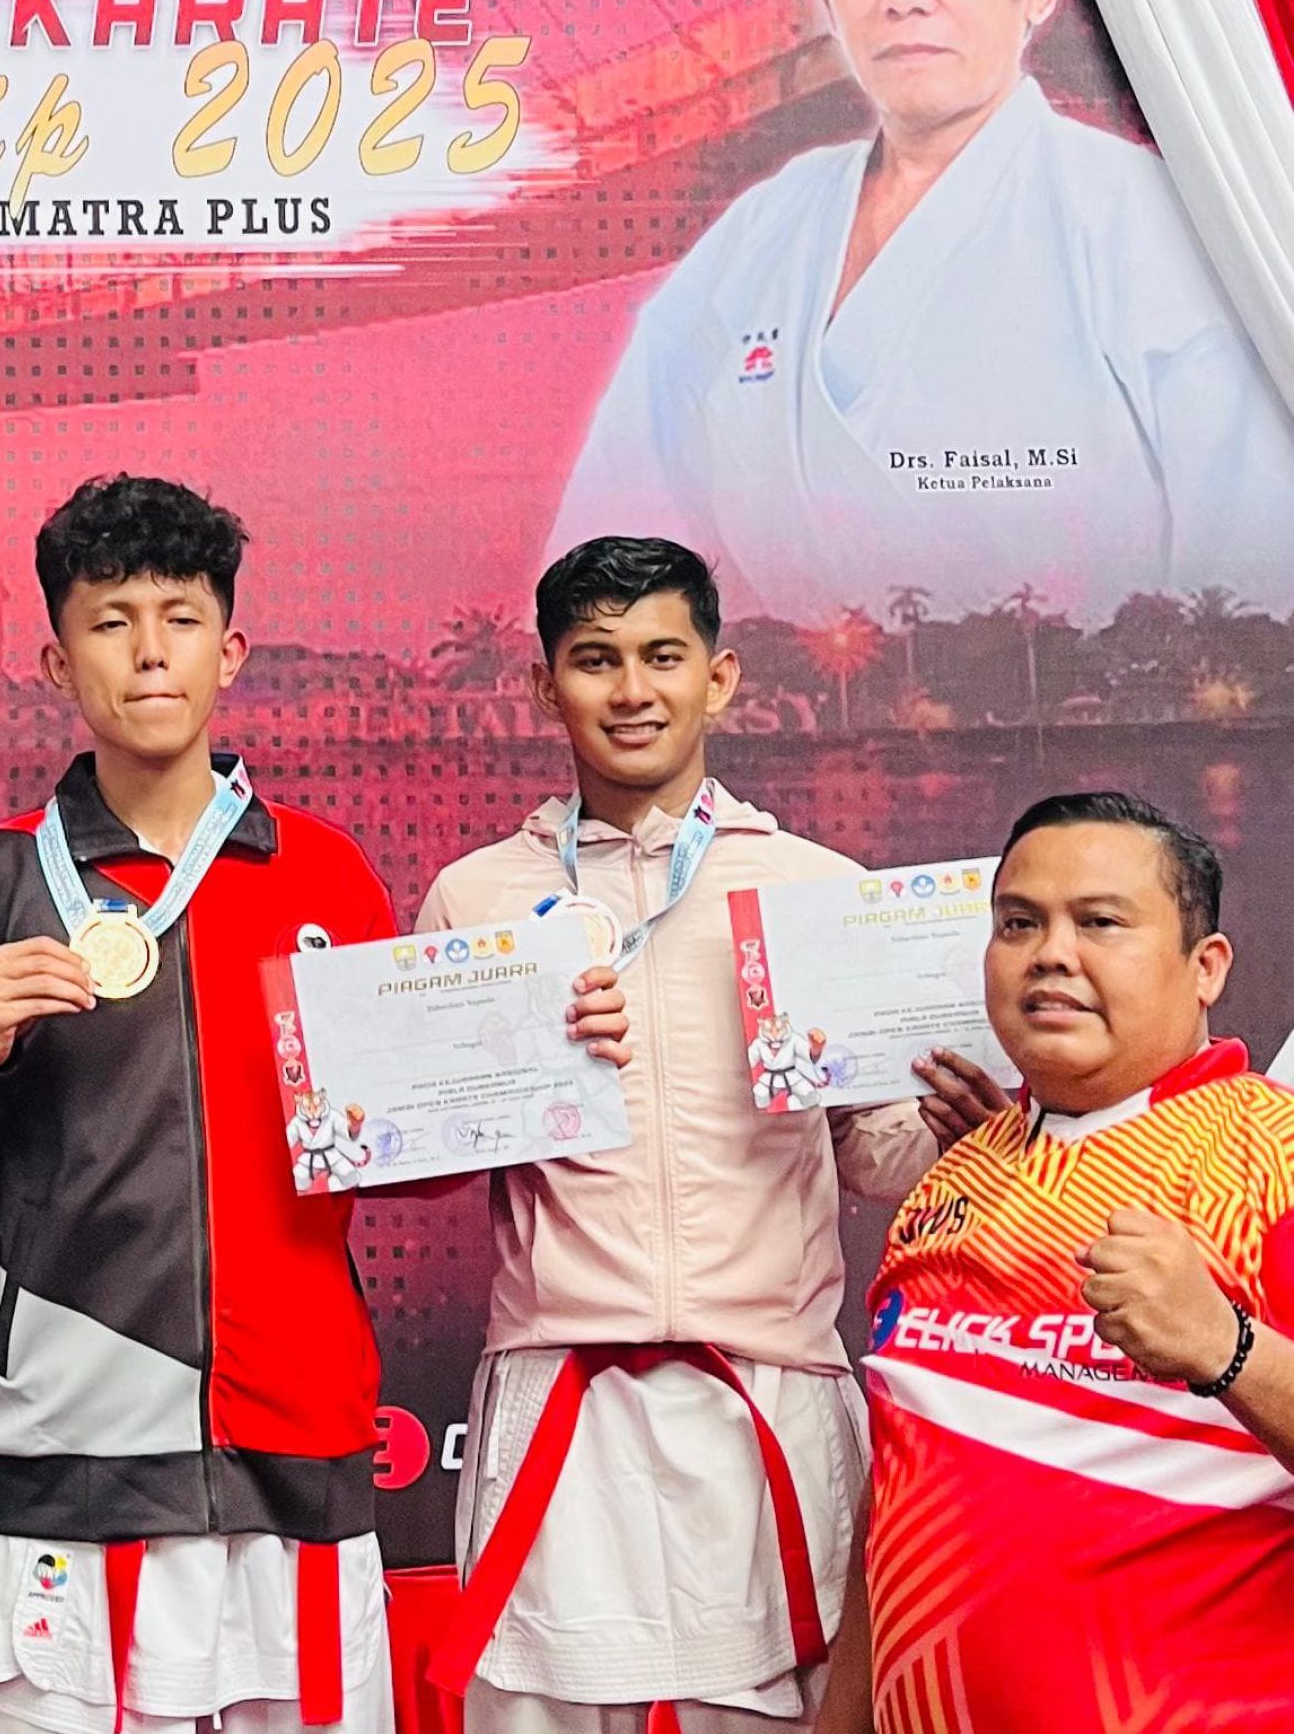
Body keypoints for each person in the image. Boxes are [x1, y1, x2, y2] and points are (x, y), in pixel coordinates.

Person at [0, 473, 471, 1734]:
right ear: (56, 659)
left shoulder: (325, 873)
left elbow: (415, 1157)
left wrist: (509, 1068)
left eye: (180, 617)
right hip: (65, 1467)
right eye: (110, 620)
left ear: (228, 650)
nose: (148, 651)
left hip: (297, 1451)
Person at [421, 535, 1003, 1734]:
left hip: (771, 1391)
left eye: (661, 655)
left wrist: (957, 1135)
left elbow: (866, 1150)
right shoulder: (476, 898)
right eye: (595, 659)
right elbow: (428, 1149)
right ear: (544, 686)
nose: (631, 689)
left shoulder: (814, 885)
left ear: (718, 677)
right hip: (559, 1395)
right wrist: (499, 1062)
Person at [551, 0, 1294, 627]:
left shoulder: (1142, 218)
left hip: (1106, 689)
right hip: (791, 697)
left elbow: (1259, 564)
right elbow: (617, 530)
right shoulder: (760, 231)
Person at [824, 794, 1294, 1734]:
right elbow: (902, 1495)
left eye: (1101, 922)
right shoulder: (953, 1174)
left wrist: (1231, 1349)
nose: (1051, 953)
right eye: (1019, 924)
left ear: (1206, 966)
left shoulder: (1273, 1157)